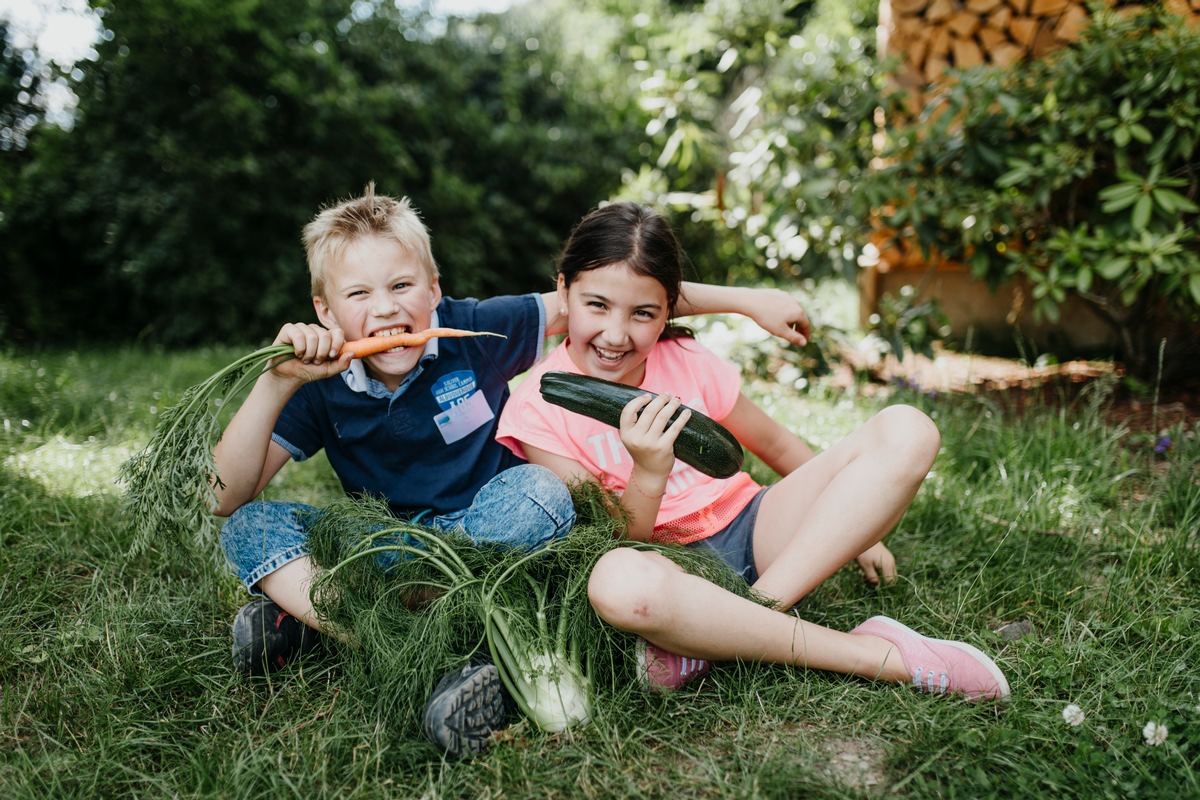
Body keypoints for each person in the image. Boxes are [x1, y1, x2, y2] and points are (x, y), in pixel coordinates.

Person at [211, 184, 815, 758]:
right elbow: (225, 494)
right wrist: (275, 381)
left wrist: (746, 299)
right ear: (324, 309)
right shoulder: (318, 386)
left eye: (401, 285)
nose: (386, 308)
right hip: (390, 548)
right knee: (248, 527)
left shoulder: (478, 332)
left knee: (540, 491)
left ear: (434, 290)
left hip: (500, 535)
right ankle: (401, 642)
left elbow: (613, 293)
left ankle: (329, 622)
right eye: (358, 295)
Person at [495, 202, 1011, 702]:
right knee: (616, 583)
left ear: (667, 311)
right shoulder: (537, 407)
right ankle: (877, 657)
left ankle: (742, 622)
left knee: (909, 428)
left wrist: (853, 526)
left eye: (643, 313)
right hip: (666, 569)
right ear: (563, 291)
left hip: (760, 538)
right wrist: (649, 472)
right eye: (597, 306)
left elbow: (778, 444)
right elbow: (612, 540)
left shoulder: (686, 360)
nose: (615, 333)